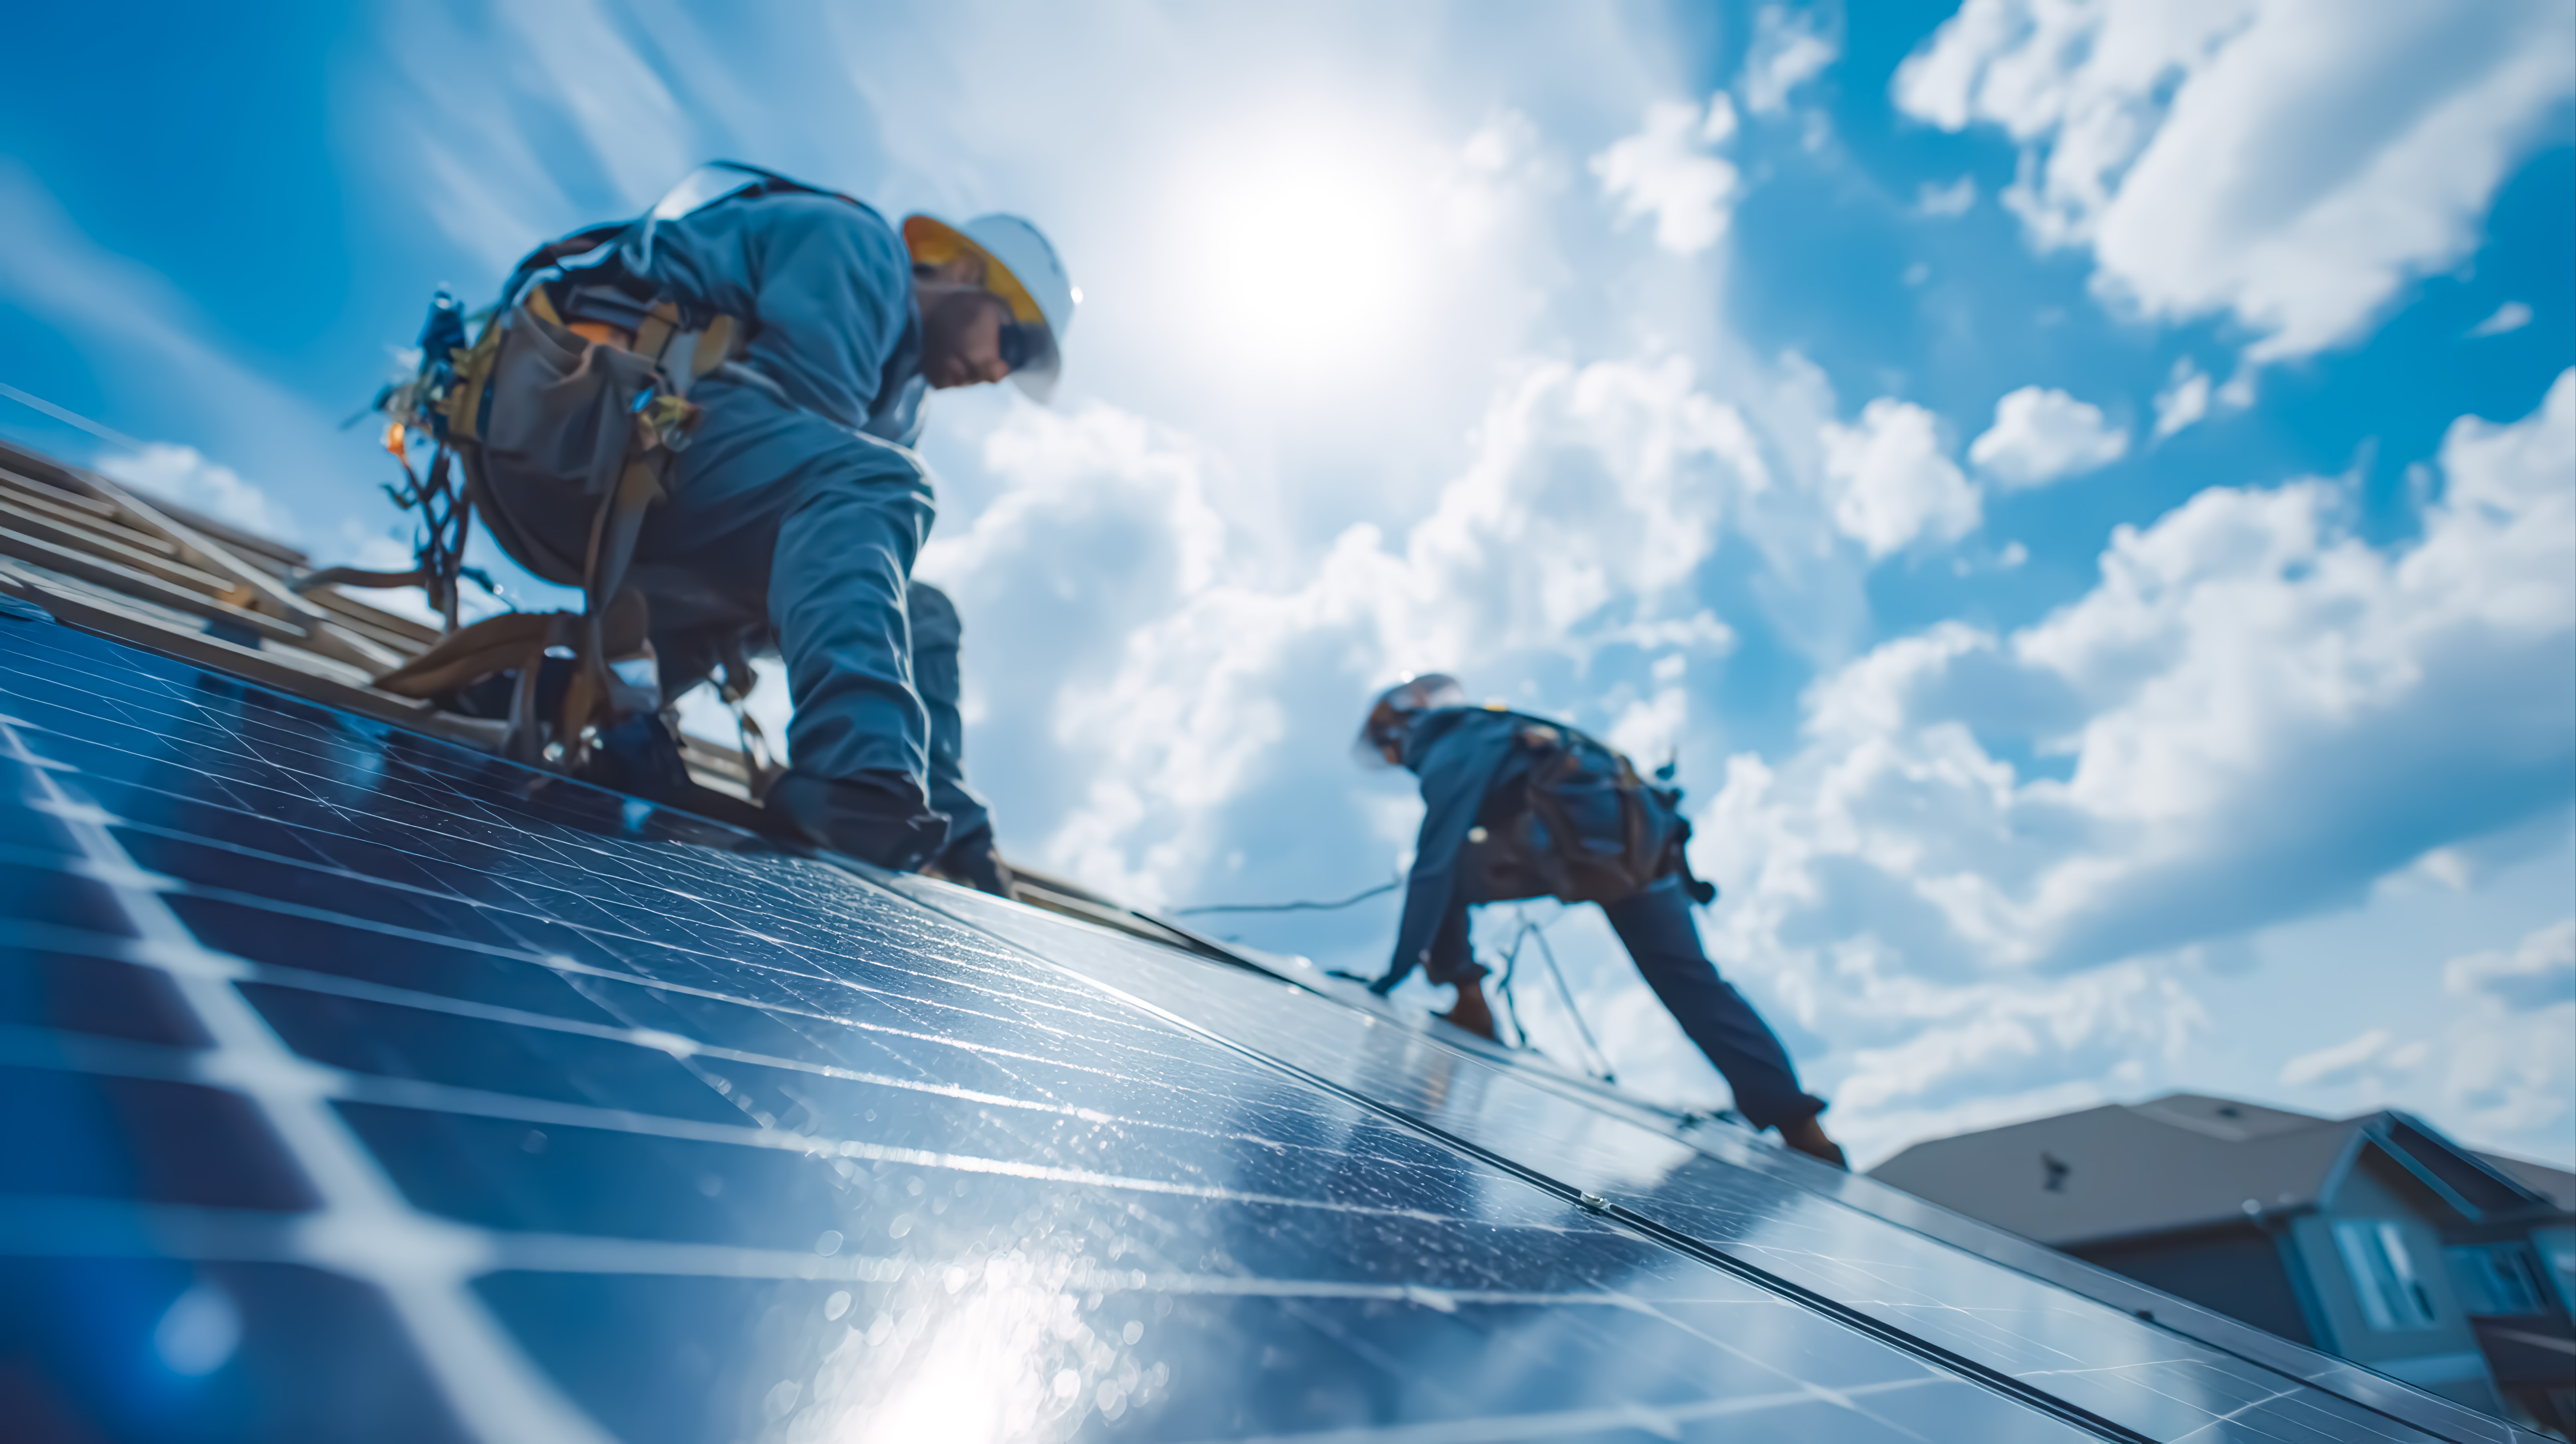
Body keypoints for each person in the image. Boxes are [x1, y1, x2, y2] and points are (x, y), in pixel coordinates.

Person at [499, 162, 1076, 876]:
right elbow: (797, 505)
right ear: (960, 270)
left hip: (666, 491)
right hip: (571, 430)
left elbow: (806, 541)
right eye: (1010, 344)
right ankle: (858, 784)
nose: (997, 374)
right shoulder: (858, 252)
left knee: (921, 611)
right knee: (868, 486)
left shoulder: (902, 402)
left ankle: (954, 836)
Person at [1359, 675, 1846, 1167]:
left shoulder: (1452, 742)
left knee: (1441, 875)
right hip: (1648, 856)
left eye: (1392, 752)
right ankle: (1802, 1128)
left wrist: (1389, 980)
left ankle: (1470, 1002)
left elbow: (1434, 865)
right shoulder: (1510, 728)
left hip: (1581, 856)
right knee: (1694, 983)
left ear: (1400, 731)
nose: (1397, 763)